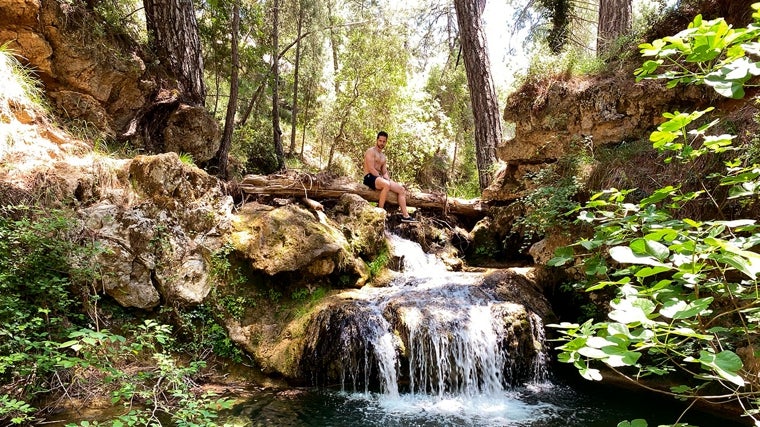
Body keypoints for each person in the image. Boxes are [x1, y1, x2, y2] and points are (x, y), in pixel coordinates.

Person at [363, 131, 416, 222]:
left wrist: (387, 178)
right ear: (377, 140)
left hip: (380, 179)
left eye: (384, 141)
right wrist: (384, 180)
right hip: (369, 177)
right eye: (380, 141)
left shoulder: (383, 157)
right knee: (386, 185)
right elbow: (371, 169)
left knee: (401, 190)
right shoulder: (370, 151)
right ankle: (380, 211)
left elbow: (384, 172)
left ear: (386, 142)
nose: (382, 143)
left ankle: (406, 216)